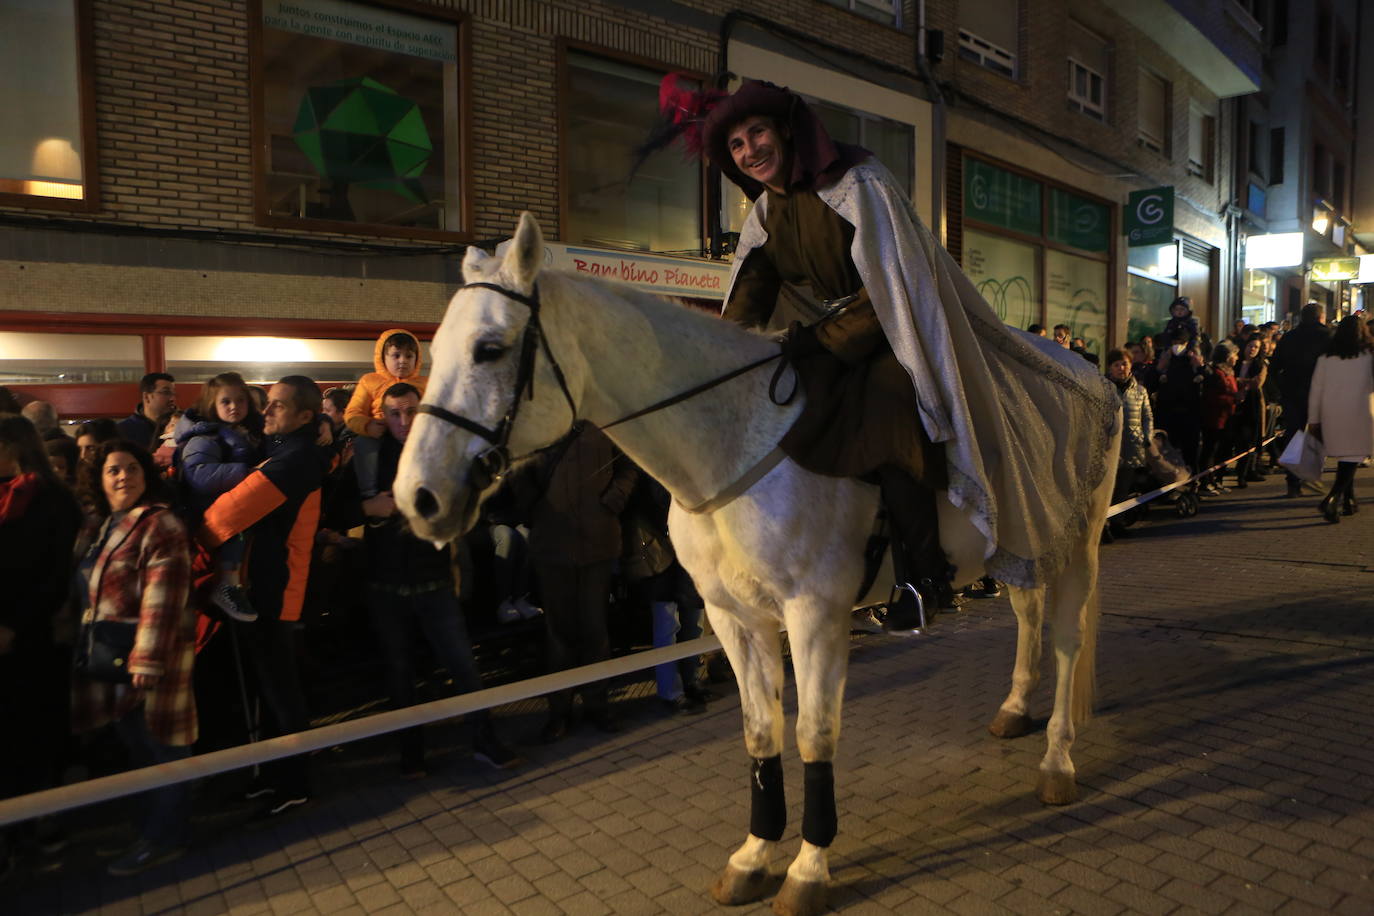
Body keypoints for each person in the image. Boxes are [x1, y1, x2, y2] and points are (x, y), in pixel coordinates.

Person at [663, 78, 1113, 633]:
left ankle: (922, 574)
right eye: (736, 145)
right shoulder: (764, 217)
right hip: (826, 340)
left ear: (782, 130)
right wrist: (722, 358)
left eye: (756, 132)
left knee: (891, 403)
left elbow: (892, 286)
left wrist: (826, 341)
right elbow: (750, 296)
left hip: (891, 331)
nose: (750, 150)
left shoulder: (858, 183)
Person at [359, 383, 519, 775]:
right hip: (387, 583)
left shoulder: (439, 452)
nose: (403, 421)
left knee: (463, 665)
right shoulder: (368, 454)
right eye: (394, 413)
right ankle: (411, 753)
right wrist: (366, 505)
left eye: (410, 411)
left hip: (433, 580)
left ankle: (483, 739)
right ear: (382, 415)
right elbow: (338, 505)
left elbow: (465, 497)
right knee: (400, 674)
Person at [199, 376, 329, 817]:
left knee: (280, 691)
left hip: (277, 590)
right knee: (268, 688)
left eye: (276, 405)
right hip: (266, 585)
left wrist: (192, 537)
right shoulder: (288, 450)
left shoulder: (297, 458)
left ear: (305, 416)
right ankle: (274, 777)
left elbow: (232, 510)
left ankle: (294, 783)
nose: (265, 411)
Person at [71, 440, 196, 876]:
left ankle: (165, 838)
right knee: (140, 753)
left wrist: (147, 661)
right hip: (112, 659)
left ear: (146, 476)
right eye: (113, 470)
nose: (123, 477)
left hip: (148, 661)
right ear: (99, 479)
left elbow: (164, 598)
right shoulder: (103, 525)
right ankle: (149, 833)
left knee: (163, 750)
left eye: (131, 469)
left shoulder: (159, 524)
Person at [514, 421, 637, 741]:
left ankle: (597, 704)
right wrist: (539, 511)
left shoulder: (602, 419)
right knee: (559, 633)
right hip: (552, 545)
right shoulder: (540, 420)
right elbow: (520, 472)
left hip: (597, 541)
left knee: (595, 629)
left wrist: (615, 497)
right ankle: (560, 710)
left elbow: (629, 462)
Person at [0, 415, 83, 878]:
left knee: (33, 732)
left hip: (35, 638)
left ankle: (43, 822)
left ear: (13, 446)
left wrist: (14, 625)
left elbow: (56, 576)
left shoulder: (51, 500)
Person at [175, 372, 265, 623]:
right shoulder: (204, 438)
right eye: (226, 401)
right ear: (212, 405)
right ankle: (228, 584)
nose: (234, 406)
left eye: (240, 400)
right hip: (210, 511)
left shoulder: (251, 433)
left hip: (239, 504)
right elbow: (200, 476)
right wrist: (249, 474)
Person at [345, 330, 427, 500]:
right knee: (364, 443)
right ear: (383, 357)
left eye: (409, 356)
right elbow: (353, 413)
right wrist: (368, 425)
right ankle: (369, 494)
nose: (402, 361)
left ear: (416, 359)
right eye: (396, 355)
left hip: (415, 434)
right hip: (379, 433)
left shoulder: (426, 383)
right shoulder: (369, 381)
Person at [1307, 316, 1374, 522]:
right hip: (1361, 412)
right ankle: (1332, 498)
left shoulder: (1325, 359)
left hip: (1332, 413)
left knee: (1347, 458)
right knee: (1352, 457)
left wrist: (1314, 419)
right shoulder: (1368, 357)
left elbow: (1316, 391)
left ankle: (1348, 500)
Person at [1271, 303, 1333, 497]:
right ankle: (1311, 476)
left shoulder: (1289, 337)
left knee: (1294, 434)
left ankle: (1292, 481)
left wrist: (1282, 388)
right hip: (1319, 391)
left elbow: (1275, 366)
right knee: (1316, 435)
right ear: (1320, 317)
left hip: (1293, 392)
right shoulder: (1328, 336)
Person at [1104, 350, 1151, 539]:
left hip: (1132, 444)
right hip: (1108, 446)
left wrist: (1146, 437)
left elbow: (1147, 416)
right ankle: (1103, 526)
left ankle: (1117, 522)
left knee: (1123, 487)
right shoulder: (1103, 388)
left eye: (1124, 364)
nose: (1121, 368)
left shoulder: (1140, 391)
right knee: (1107, 488)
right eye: (1116, 365)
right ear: (1110, 368)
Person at [1154, 328, 1205, 472]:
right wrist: (1160, 368)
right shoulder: (1165, 359)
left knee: (1190, 452)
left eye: (1181, 342)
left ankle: (1191, 483)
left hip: (1189, 414)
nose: (1177, 346)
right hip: (1168, 414)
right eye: (1175, 342)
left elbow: (1208, 379)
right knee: (1168, 453)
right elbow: (1151, 382)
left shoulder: (1193, 360)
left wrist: (1200, 367)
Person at [1198, 345, 1239, 495]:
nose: (1237, 358)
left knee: (1219, 450)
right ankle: (1205, 482)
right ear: (1227, 357)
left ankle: (1215, 480)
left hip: (1226, 417)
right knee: (1209, 450)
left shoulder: (1228, 372)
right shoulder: (1215, 373)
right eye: (1235, 355)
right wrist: (1232, 399)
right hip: (1214, 417)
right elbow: (1212, 397)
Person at [1230, 337, 1268, 487]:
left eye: (1256, 347)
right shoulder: (1236, 362)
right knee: (1235, 439)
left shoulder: (1260, 365)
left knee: (1248, 440)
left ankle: (1243, 474)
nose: (1252, 349)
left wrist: (1239, 380)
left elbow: (1257, 383)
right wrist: (1242, 381)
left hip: (1252, 405)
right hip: (1234, 403)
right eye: (1250, 346)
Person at [116, 373, 176, 456]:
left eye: (173, 394)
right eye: (166, 392)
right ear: (146, 397)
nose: (172, 398)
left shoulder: (179, 425)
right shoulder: (123, 430)